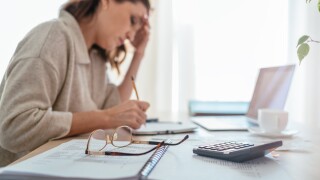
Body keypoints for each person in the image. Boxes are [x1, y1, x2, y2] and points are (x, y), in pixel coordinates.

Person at [0, 0, 151, 166]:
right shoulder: (52, 37)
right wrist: (106, 118)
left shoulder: (95, 57)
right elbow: (13, 129)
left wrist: (139, 53)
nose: (131, 36)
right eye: (133, 20)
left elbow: (115, 108)